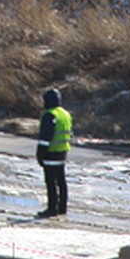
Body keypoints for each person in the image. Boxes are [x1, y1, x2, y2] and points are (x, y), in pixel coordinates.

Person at [36, 87, 72, 217]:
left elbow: (45, 138)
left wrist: (40, 155)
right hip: (63, 152)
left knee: (51, 182)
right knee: (61, 181)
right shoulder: (65, 114)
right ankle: (62, 208)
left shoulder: (49, 115)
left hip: (51, 152)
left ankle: (52, 209)